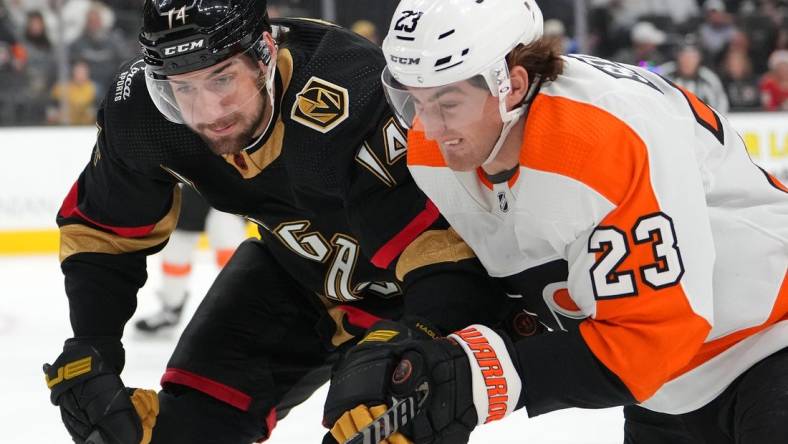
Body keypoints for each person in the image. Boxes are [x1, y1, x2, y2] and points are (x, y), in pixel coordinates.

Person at [42, 1, 513, 443]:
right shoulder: (143, 114)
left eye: (223, 79)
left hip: (414, 292)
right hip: (295, 272)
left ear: (265, 53)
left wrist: (417, 339)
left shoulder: (353, 89)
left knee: (389, 420)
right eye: (182, 88)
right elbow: (103, 232)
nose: (208, 112)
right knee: (174, 432)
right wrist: (92, 344)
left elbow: (448, 252)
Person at [322, 1, 788, 443]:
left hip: (768, 341)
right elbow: (503, 280)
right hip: (666, 391)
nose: (430, 128)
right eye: (413, 101)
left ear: (514, 85)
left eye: (447, 103)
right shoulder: (437, 149)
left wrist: (483, 378)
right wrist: (418, 350)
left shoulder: (601, 141)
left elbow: (655, 338)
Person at [134, 185, 248, 334]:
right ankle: (171, 308)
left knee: (226, 237)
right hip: (198, 180)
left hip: (235, 185)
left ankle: (245, 309)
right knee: (177, 242)